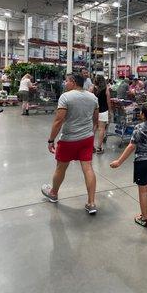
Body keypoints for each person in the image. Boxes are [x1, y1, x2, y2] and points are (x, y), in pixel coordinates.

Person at [41, 73, 99, 214]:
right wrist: (89, 132)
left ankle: (53, 193)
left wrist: (51, 140)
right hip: (87, 139)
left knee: (61, 168)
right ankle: (91, 203)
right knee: (88, 168)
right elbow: (96, 120)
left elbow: (58, 121)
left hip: (68, 139)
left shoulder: (66, 97)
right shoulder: (93, 97)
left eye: (66, 81)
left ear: (73, 82)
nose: (64, 83)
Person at [110, 104, 147, 228]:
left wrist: (119, 162)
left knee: (142, 191)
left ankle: (144, 218)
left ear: (143, 115)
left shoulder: (138, 128)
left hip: (143, 162)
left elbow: (131, 146)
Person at [93, 75, 112, 154]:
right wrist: (110, 111)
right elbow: (108, 102)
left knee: (93, 128)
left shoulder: (92, 89)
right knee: (101, 129)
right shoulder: (106, 90)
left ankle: (91, 147)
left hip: (94, 111)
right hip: (103, 111)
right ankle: (99, 148)